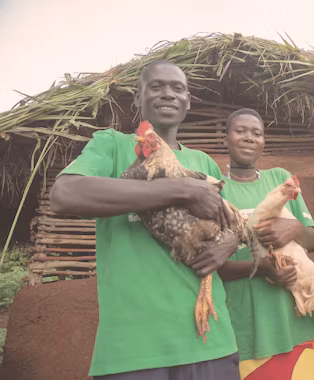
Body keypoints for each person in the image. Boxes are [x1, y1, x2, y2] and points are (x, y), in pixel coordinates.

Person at [50, 60, 241, 379]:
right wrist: (180, 189)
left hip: (210, 339)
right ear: (137, 99)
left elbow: (230, 222)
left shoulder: (204, 161)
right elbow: (65, 194)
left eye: (177, 88)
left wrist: (228, 244)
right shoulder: (111, 144)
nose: (168, 93)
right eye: (156, 86)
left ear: (188, 101)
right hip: (134, 348)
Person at [217, 108, 314, 380]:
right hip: (244, 327)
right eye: (240, 131)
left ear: (264, 142)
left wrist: (293, 228)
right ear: (226, 139)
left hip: (294, 320)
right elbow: (211, 265)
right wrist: (262, 269)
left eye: (257, 133)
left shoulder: (280, 178)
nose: (248, 138)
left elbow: (313, 240)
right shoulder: (218, 191)